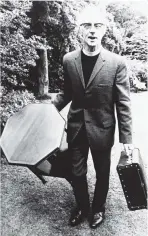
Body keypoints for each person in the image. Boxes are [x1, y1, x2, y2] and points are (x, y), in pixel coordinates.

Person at [52, 5, 133, 229]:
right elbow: (67, 92)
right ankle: (82, 206)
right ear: (80, 30)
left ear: (105, 30)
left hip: (102, 128)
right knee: (76, 172)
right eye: (87, 25)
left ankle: (98, 208)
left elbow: (123, 103)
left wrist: (126, 139)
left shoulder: (117, 63)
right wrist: (47, 110)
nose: (92, 30)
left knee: (102, 173)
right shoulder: (69, 59)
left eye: (97, 25)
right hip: (77, 126)